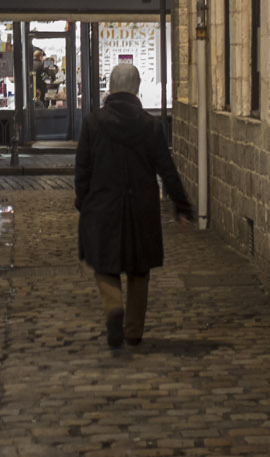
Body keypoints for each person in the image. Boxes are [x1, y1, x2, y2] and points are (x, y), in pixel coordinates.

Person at [74, 63, 193, 349]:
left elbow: (83, 170)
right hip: (141, 207)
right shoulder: (150, 126)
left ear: (111, 88)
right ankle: (134, 330)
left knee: (104, 265)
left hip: (103, 205)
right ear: (137, 89)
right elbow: (167, 169)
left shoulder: (92, 123)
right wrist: (182, 205)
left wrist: (83, 202)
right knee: (139, 271)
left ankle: (113, 306)